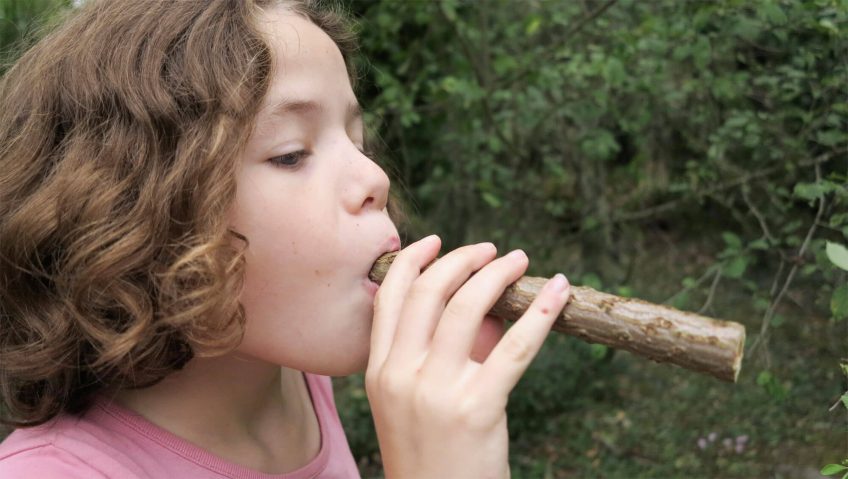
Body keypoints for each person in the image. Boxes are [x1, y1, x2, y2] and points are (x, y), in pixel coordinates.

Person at [0, 1, 572, 477]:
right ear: (129, 215)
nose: (376, 178)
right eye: (291, 153)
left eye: (357, 141)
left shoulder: (295, 381)